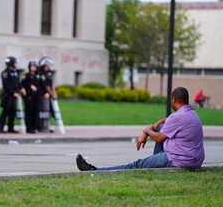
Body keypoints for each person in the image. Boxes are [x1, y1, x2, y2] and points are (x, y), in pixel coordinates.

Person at [76, 87, 205, 171]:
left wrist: (146, 131)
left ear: (173, 99)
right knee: (161, 127)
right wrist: (154, 127)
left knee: (137, 165)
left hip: (179, 160)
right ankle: (156, 164)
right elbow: (167, 120)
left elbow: (158, 137)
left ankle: (95, 171)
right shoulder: (190, 113)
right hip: (194, 160)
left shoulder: (177, 117)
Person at [0, 56, 26, 133]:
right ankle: (0, 127)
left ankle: (11, 127)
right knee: (5, 111)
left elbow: (17, 83)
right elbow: (6, 85)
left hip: (14, 95)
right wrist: (13, 92)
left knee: (12, 112)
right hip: (8, 95)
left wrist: (22, 88)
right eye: (15, 62)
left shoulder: (14, 72)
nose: (16, 64)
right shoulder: (5, 73)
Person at [38, 56, 57, 133]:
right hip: (42, 95)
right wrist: (52, 94)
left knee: (49, 111)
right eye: (47, 65)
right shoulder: (41, 74)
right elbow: (46, 86)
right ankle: (42, 127)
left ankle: (47, 126)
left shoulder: (49, 73)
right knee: (43, 112)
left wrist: (54, 93)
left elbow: (51, 85)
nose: (48, 67)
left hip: (49, 96)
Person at [21, 59, 40, 134]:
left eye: (35, 67)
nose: (34, 68)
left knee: (35, 112)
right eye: (32, 66)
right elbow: (22, 84)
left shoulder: (38, 76)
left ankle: (34, 127)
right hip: (29, 97)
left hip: (36, 97)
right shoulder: (26, 76)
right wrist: (29, 86)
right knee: (29, 112)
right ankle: (29, 128)